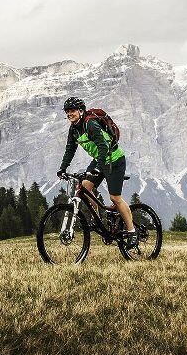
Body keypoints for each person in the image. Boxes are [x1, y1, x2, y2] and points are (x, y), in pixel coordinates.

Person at [57, 97, 137, 247]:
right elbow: (70, 150)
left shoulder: (90, 124)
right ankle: (98, 220)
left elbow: (103, 146)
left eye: (72, 110)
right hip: (99, 159)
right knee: (85, 187)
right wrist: (63, 168)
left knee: (115, 198)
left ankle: (132, 231)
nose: (69, 114)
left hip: (114, 159)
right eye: (67, 112)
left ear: (80, 111)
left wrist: (98, 167)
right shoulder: (73, 129)